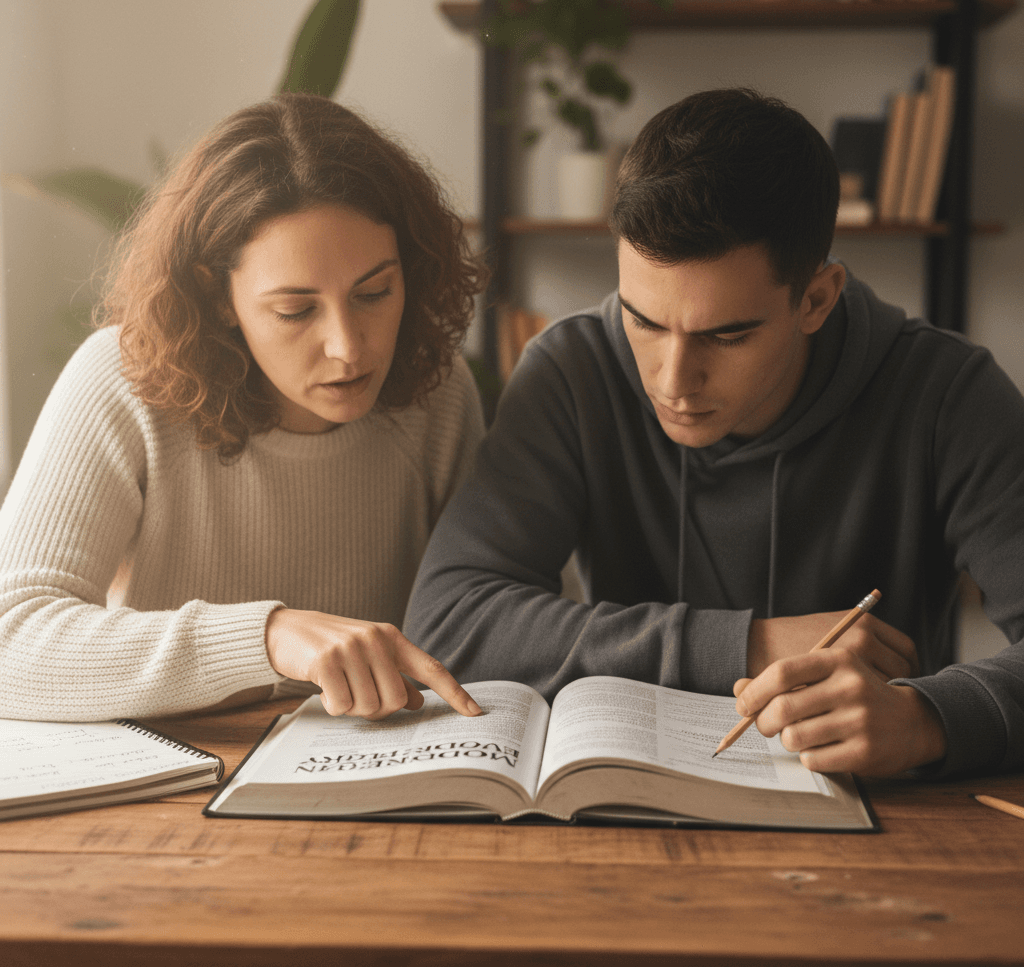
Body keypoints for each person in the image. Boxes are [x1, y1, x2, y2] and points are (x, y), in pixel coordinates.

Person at [405, 88, 1024, 780]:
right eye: (643, 321)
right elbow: (451, 623)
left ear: (816, 299)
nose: (673, 380)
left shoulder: (949, 393)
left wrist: (926, 719)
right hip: (630, 799)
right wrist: (748, 645)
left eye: (726, 336)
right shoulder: (573, 370)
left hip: (889, 818)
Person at [0, 92, 486, 723]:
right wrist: (269, 637)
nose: (347, 348)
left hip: (377, 761)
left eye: (374, 293)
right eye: (295, 310)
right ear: (217, 296)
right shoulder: (123, 380)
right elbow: (11, 639)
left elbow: (487, 617)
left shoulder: (438, 394)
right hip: (181, 767)